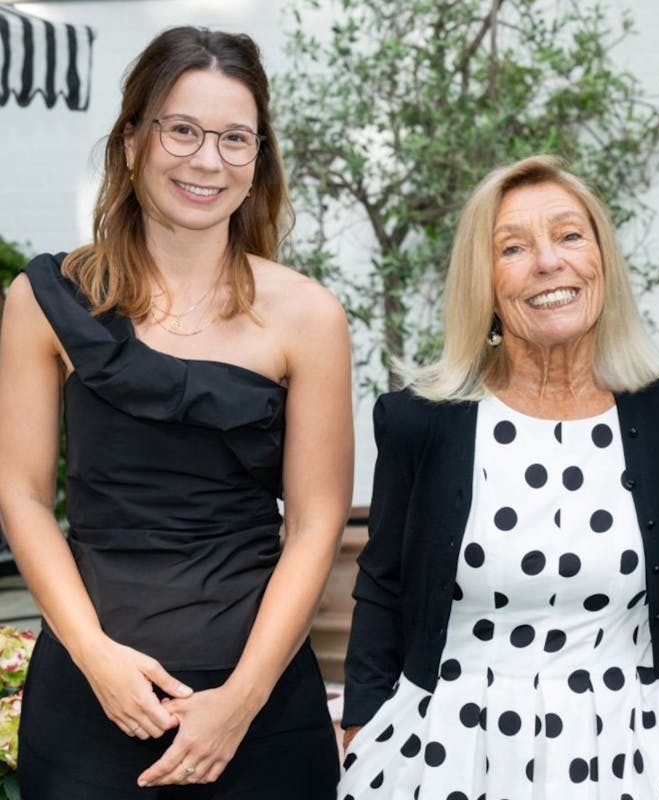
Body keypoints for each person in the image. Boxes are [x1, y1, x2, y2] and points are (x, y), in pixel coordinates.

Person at [0, 27, 352, 798]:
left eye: (235, 138)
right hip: (92, 699)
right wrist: (94, 656)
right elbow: (22, 496)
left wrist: (242, 700)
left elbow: (317, 523)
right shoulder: (44, 301)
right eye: (182, 129)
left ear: (259, 159)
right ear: (132, 142)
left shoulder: (309, 318)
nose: (207, 160)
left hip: (257, 708)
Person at [338, 154, 659, 799]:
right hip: (449, 750)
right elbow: (382, 587)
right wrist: (362, 733)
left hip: (628, 751)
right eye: (514, 247)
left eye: (570, 235)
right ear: (484, 283)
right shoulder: (420, 420)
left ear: (603, 261)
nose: (548, 262)